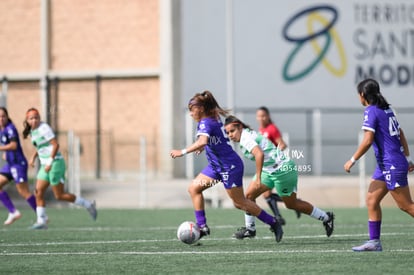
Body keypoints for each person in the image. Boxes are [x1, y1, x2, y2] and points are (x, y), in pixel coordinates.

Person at [170, 90, 284, 243]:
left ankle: (273, 222)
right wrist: (204, 147)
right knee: (194, 189)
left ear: (201, 109)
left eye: (192, 109)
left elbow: (203, 140)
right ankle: (202, 227)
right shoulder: (212, 118)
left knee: (240, 203)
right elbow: (213, 139)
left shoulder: (206, 122)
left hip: (229, 167)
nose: (190, 113)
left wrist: (181, 152)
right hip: (216, 168)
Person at [224, 115, 334, 239]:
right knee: (249, 196)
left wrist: (258, 178)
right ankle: (250, 229)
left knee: (292, 204)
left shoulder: (245, 137)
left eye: (232, 131)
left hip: (283, 170)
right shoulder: (246, 134)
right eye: (227, 133)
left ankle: (327, 217)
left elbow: (259, 154)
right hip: (269, 170)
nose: (230, 135)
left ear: (240, 127)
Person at [344, 78, 414, 252]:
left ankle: (374, 242)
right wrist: (407, 156)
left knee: (406, 206)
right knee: (372, 200)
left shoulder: (371, 111)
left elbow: (367, 140)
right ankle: (374, 242)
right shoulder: (387, 109)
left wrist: (352, 160)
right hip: (387, 164)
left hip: (391, 164)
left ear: (362, 95)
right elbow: (400, 132)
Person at [23, 107, 97, 229]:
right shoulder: (32, 131)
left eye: (36, 117)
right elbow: (41, 146)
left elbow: (55, 145)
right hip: (45, 165)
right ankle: (41, 221)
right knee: (38, 192)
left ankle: (88, 204)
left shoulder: (44, 128)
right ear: (27, 120)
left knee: (59, 195)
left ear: (39, 118)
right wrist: (33, 157)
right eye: (31, 118)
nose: (34, 120)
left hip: (55, 163)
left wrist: (50, 162)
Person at [256, 106, 301, 225]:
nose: (261, 118)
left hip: (277, 167)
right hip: (269, 167)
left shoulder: (272, 129)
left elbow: (283, 144)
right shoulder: (261, 130)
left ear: (268, 116)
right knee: (266, 194)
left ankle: (289, 208)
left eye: (263, 115)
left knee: (267, 194)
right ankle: (280, 215)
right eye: (259, 116)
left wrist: (274, 154)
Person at [0, 107, 37, 225]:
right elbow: (8, 146)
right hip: (10, 164)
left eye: (3, 116)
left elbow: (14, 145)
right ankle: (13, 212)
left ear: (7, 116)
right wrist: (6, 153)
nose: (1, 119)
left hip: (18, 164)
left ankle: (41, 215)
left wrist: (2, 149)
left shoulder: (10, 129)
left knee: (24, 192)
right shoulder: (2, 130)